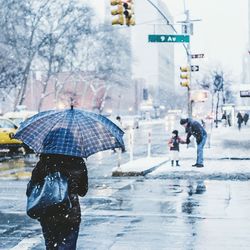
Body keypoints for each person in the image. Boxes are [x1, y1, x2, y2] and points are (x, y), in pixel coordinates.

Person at [28, 153, 88, 249]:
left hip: (48, 213)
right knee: (68, 245)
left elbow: (31, 189)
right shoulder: (77, 162)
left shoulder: (44, 161)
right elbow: (83, 191)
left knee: (51, 246)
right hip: (70, 213)